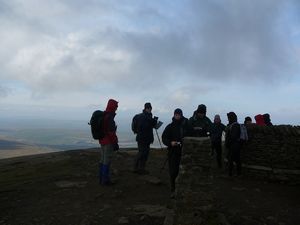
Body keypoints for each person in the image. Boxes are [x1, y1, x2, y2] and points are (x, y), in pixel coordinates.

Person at [162, 108, 189, 198]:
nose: (177, 116)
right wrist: (170, 143)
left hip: (184, 152)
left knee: (184, 172)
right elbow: (164, 138)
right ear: (174, 115)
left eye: (179, 115)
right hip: (173, 152)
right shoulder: (170, 126)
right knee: (173, 172)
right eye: (176, 114)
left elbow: (190, 135)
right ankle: (173, 190)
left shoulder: (186, 125)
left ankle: (182, 189)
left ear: (181, 115)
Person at [133, 102, 158, 174]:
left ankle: (141, 169)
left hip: (145, 138)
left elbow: (150, 126)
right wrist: (152, 122)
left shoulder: (148, 116)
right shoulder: (143, 117)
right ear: (146, 108)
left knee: (145, 154)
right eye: (149, 108)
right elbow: (143, 127)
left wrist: (153, 122)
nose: (150, 110)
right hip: (142, 138)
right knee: (142, 153)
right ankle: (136, 168)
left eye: (150, 108)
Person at [99, 99, 119, 185]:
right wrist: (115, 143)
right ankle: (105, 180)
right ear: (112, 107)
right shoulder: (109, 117)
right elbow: (111, 133)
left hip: (102, 141)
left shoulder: (104, 115)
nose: (116, 109)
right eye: (116, 107)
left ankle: (101, 178)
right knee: (107, 161)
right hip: (108, 142)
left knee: (103, 160)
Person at [225, 112, 242, 176]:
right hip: (236, 145)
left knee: (231, 160)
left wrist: (228, 143)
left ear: (231, 118)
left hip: (233, 145)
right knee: (237, 160)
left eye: (228, 117)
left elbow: (233, 136)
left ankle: (230, 174)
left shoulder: (234, 125)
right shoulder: (235, 124)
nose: (228, 119)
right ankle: (238, 173)